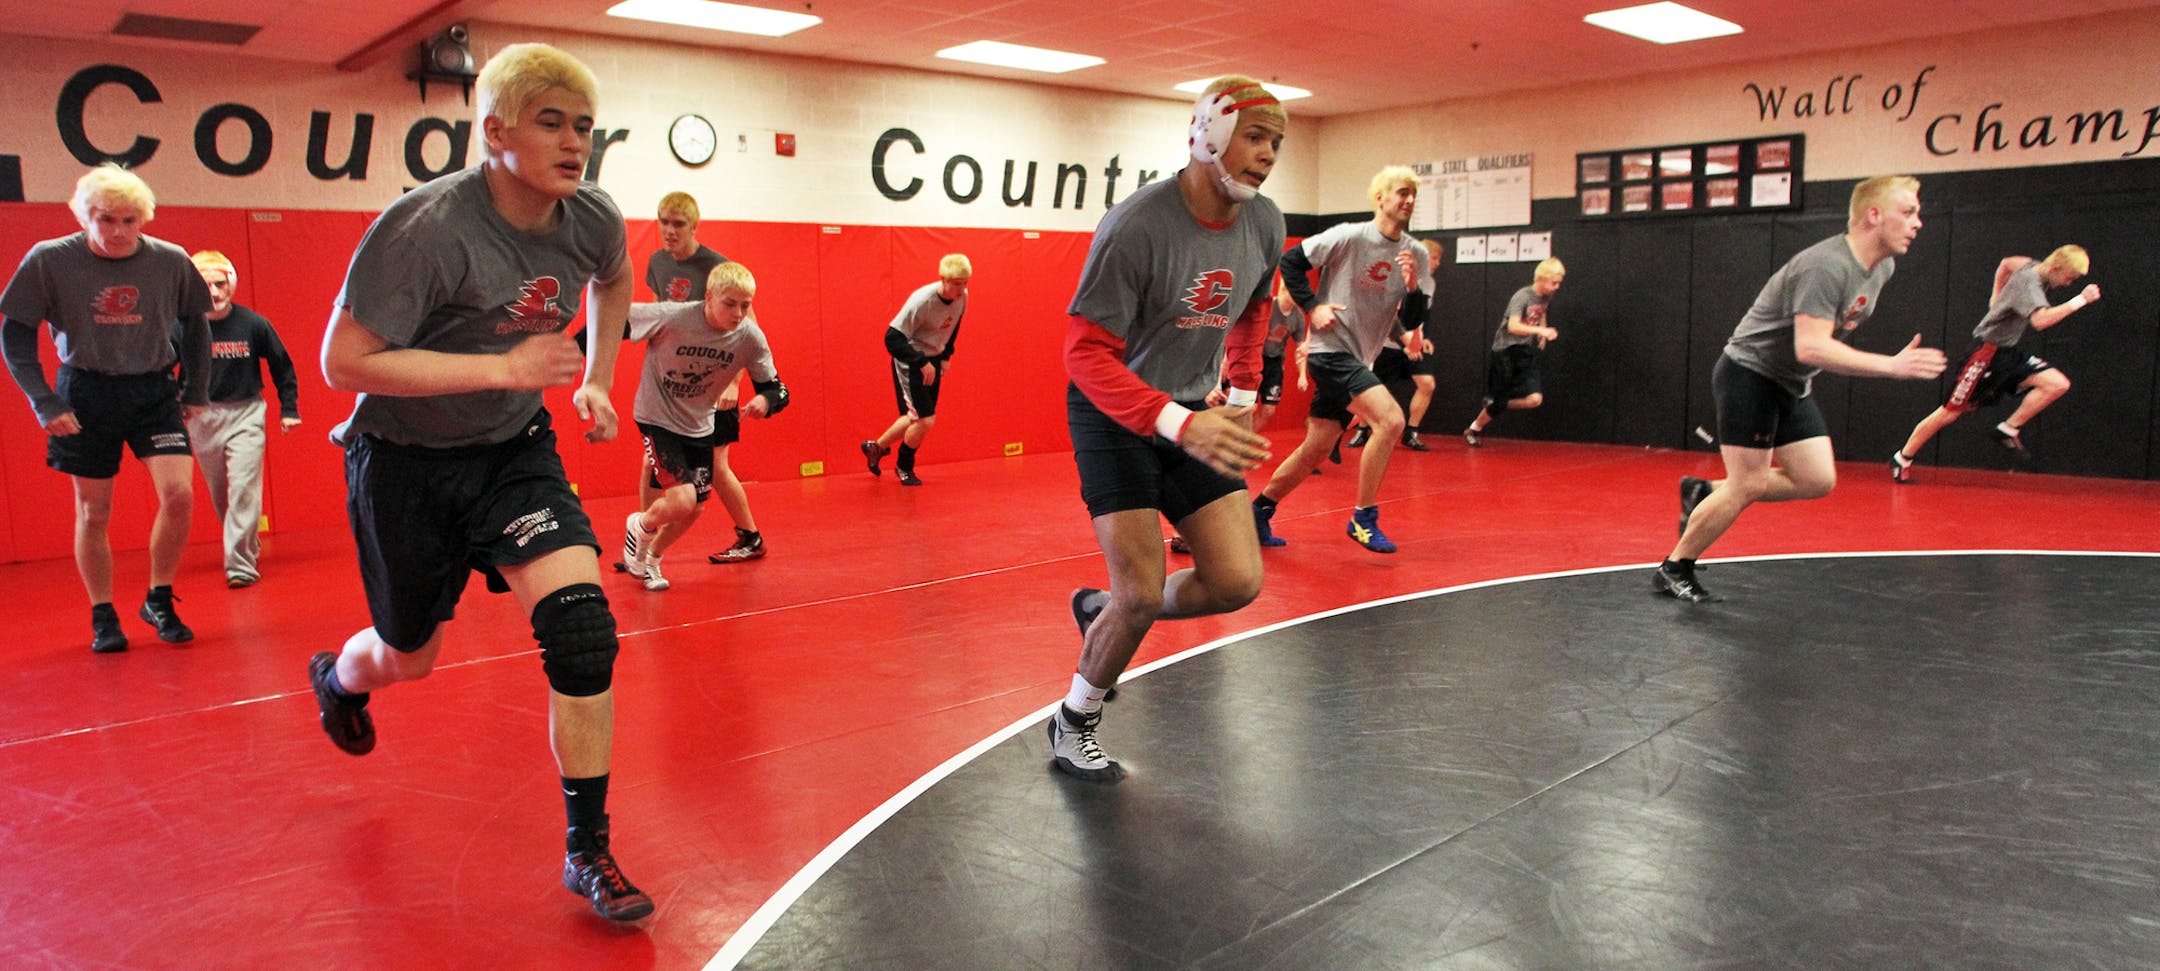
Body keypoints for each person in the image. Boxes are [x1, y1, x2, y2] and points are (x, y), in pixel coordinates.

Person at [305, 43, 653, 922]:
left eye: (583, 126)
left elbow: (614, 280)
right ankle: (341, 678)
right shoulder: (425, 228)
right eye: (551, 123)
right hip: (402, 465)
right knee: (406, 658)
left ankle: (588, 848)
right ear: (494, 131)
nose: (575, 142)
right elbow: (344, 363)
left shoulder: (590, 217)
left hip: (511, 453)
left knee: (581, 630)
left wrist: (597, 377)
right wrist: (503, 367)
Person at [1053, 75, 1284, 781]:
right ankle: (1074, 719)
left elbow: (1253, 306)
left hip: (1193, 413)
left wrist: (1242, 391)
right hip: (1115, 414)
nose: (1268, 154)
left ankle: (1100, 610)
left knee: (1238, 580)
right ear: (1209, 132)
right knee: (1144, 592)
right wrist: (1181, 422)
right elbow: (1083, 353)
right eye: (1255, 135)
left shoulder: (1265, 222)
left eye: (1277, 142)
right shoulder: (1138, 225)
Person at [1656, 175, 1947, 602]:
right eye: (1908, 212)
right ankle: (1674, 567)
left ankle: (1704, 492)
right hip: (1749, 376)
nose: (1917, 222)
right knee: (1749, 484)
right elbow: (1810, 346)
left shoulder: (1880, 268)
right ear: (1873, 216)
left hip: (1790, 383)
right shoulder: (1825, 266)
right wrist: (1891, 366)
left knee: (1816, 479)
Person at [2, 165, 211, 653]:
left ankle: (158, 597)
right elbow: (14, 334)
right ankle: (103, 613)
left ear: (144, 220)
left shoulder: (171, 261)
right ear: (84, 217)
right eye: (105, 219)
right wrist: (44, 401)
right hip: (84, 391)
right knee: (95, 510)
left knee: (179, 495)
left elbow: (196, 326)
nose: (117, 231)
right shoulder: (50, 260)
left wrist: (196, 389)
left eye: (129, 220)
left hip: (153, 390)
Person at [1249, 165, 1432, 553]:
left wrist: (1413, 288)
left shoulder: (1415, 253)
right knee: (1391, 419)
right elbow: (1291, 263)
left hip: (1360, 359)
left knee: (1316, 447)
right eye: (1402, 192)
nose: (1409, 201)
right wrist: (1313, 307)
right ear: (1380, 197)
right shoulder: (1349, 236)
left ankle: (1259, 512)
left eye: (1414, 195)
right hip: (1329, 352)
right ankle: (1363, 518)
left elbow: (1415, 320)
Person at [618, 261, 789, 586]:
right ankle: (640, 530)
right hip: (658, 416)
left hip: (701, 421)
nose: (738, 313)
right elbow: (615, 321)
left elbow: (776, 386)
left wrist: (764, 399)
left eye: (745, 306)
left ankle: (651, 555)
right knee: (678, 494)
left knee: (694, 504)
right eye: (730, 304)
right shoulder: (676, 317)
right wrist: (579, 359)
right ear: (708, 297)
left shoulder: (748, 336)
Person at [1890, 246, 2098, 481]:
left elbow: (2006, 262)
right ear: (2056, 268)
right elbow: (2041, 321)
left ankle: (2008, 429)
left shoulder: (2031, 263)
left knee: (2056, 383)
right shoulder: (2030, 283)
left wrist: (1995, 296)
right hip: (1984, 354)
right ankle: (1902, 458)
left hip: (2007, 352)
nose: (2069, 283)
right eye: (2069, 277)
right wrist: (2081, 299)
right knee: (1949, 412)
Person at [179, 250, 301, 588]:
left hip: (247, 411)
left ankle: (240, 566)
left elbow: (282, 366)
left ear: (231, 283)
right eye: (206, 286)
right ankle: (245, 541)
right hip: (203, 416)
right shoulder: (183, 328)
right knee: (223, 494)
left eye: (220, 284)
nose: (215, 292)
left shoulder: (253, 324)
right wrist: (176, 405)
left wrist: (288, 408)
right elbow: (164, 369)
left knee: (244, 488)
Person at [862, 254, 970, 486]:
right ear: (944, 279)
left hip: (933, 360)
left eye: (965, 283)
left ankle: (876, 448)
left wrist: (946, 355)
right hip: (911, 361)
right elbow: (892, 338)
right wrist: (920, 361)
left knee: (915, 418)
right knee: (925, 419)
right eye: (957, 284)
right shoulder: (922, 301)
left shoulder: (963, 297)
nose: (961, 289)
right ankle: (904, 465)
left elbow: (955, 322)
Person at [1349, 237, 1443, 452]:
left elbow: (1419, 315)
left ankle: (1411, 433)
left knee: (1427, 384)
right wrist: (1406, 341)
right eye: (1435, 258)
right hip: (1387, 342)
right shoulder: (1394, 278)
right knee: (1370, 387)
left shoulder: (1429, 283)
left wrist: (1419, 339)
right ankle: (1362, 431)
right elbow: (1393, 314)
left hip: (1411, 342)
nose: (1438, 263)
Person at [1464, 257, 1564, 446]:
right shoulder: (1522, 296)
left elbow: (1542, 311)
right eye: (1554, 282)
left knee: (1535, 399)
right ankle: (1474, 428)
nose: (1557, 286)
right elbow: (1513, 326)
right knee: (1500, 400)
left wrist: (1542, 329)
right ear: (1541, 279)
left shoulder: (1546, 296)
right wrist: (1540, 331)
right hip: (1505, 351)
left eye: (1559, 282)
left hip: (1524, 350)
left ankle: (1496, 402)